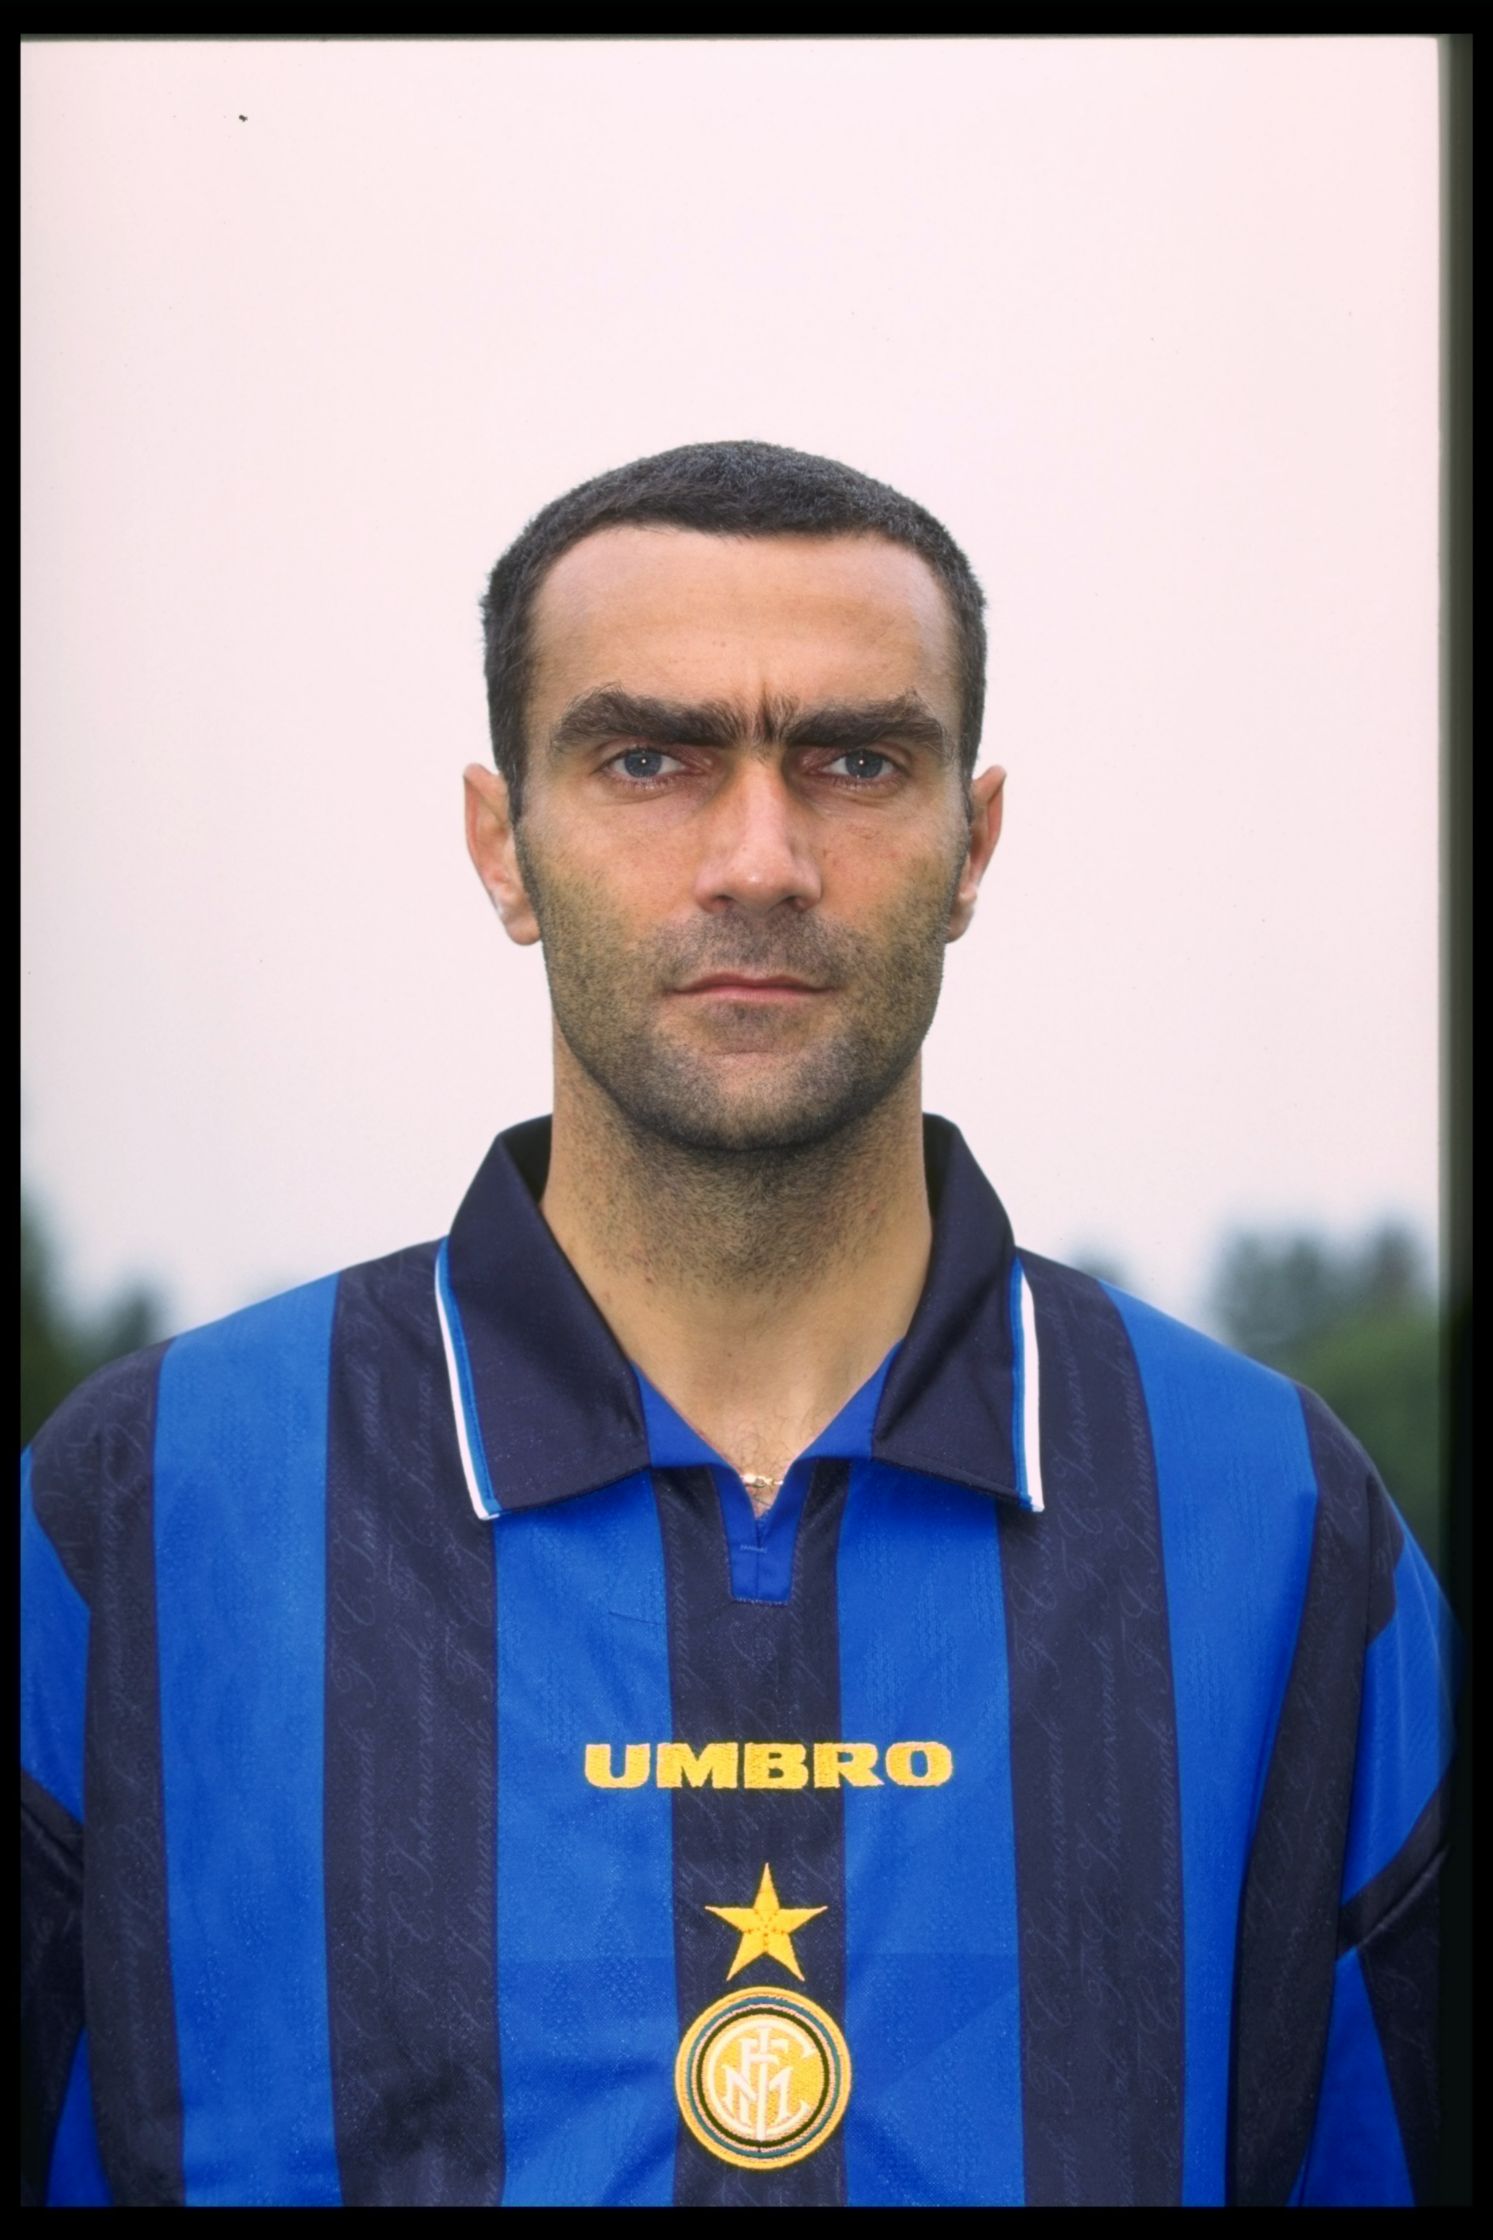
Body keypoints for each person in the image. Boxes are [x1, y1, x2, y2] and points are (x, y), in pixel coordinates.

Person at [21, 440, 1455, 2209]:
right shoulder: (141, 1517)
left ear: (970, 843)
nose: (760, 858)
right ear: (503, 845)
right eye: (651, 758)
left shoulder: (1275, 1518)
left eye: (855, 760)